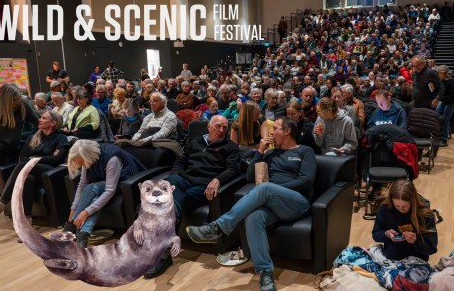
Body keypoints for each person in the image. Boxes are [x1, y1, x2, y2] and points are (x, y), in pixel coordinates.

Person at [186, 117, 317, 291]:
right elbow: (249, 178)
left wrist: (273, 189)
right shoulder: (271, 153)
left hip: (297, 202)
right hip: (272, 204)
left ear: (287, 131)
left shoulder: (304, 151)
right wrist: (260, 152)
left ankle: (217, 228)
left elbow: (307, 181)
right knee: (253, 218)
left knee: (265, 189)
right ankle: (265, 273)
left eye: (276, 128)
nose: (271, 132)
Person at [143, 115, 240, 279]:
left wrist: (217, 180)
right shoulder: (196, 141)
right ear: (209, 126)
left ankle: (163, 251)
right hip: (184, 179)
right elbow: (181, 161)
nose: (222, 130)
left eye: (225, 127)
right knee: (170, 183)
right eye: (218, 126)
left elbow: (233, 169)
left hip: (203, 185)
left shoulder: (230, 147)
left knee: (174, 198)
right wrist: (175, 174)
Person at [0, 111, 69, 223]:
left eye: (43, 118)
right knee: (28, 179)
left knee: (23, 165)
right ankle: (26, 221)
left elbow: (57, 159)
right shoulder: (32, 137)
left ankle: (0, 204)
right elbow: (22, 157)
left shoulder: (60, 138)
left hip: (50, 172)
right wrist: (41, 158)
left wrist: (33, 158)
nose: (39, 119)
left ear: (53, 123)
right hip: (32, 171)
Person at [63, 140, 144, 248]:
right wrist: (73, 210)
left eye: (81, 162)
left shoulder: (112, 158)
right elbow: (81, 185)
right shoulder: (87, 157)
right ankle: (82, 237)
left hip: (125, 183)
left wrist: (86, 212)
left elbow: (110, 191)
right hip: (104, 181)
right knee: (94, 195)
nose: (80, 165)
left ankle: (72, 228)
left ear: (87, 157)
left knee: (91, 187)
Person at [0, 83, 39, 193]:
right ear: (5, 99)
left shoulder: (22, 104)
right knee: (0, 182)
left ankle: (16, 206)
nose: (17, 102)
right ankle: (5, 207)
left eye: (19, 99)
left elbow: (37, 121)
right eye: (14, 100)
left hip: (15, 148)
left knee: (16, 180)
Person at [372, 180, 438, 261]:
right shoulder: (385, 209)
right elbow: (375, 234)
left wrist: (415, 241)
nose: (401, 209)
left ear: (412, 202)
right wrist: (386, 234)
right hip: (391, 260)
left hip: (416, 262)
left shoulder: (425, 215)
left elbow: (432, 248)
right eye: (397, 206)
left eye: (404, 206)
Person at [435, 65, 454, 146]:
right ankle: (443, 134)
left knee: (444, 119)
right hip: (444, 102)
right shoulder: (442, 81)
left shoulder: (451, 82)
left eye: (439, 73)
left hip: (451, 103)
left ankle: (444, 140)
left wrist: (440, 98)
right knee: (437, 115)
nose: (438, 75)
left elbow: (452, 97)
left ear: (444, 73)